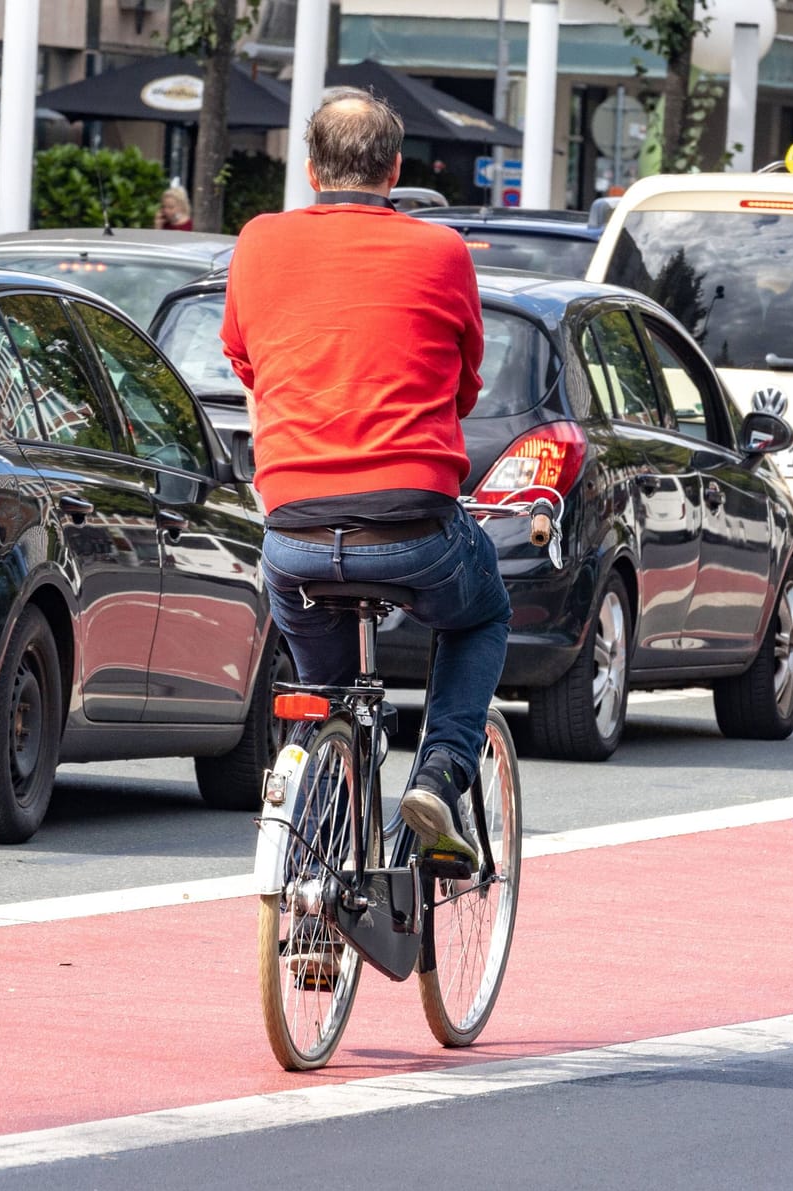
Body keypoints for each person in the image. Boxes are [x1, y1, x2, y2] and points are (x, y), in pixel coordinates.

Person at [220, 88, 508, 864]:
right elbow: (464, 385)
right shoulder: (442, 250)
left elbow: (246, 362)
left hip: (296, 534)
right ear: (396, 170)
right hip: (412, 526)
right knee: (482, 613)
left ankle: (311, 893)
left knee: (327, 706)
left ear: (310, 169)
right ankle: (442, 774)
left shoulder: (256, 242)